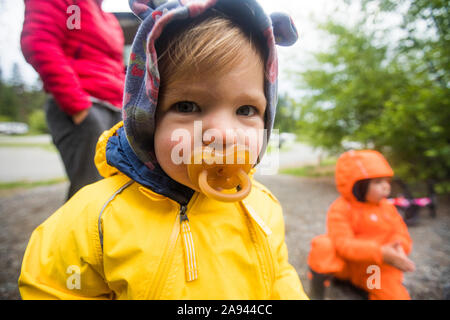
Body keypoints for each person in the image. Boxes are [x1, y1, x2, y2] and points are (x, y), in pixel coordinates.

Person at [18, 0, 309, 299]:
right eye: (187, 106)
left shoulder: (262, 207)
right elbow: (51, 287)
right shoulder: (95, 219)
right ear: (148, 119)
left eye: (246, 109)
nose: (223, 133)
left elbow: (279, 276)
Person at [20, 0, 125, 199]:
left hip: (116, 109)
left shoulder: (108, 18)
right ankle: (80, 231)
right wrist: (79, 108)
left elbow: (116, 67)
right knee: (90, 191)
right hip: (85, 108)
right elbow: (39, 42)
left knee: (118, 188)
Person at [307, 150, 415, 300]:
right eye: (377, 182)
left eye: (387, 181)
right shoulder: (341, 208)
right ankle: (316, 293)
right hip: (349, 266)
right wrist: (379, 252)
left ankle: (364, 287)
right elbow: (343, 244)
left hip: (377, 268)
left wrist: (399, 249)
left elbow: (401, 234)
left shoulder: (388, 208)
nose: (386, 187)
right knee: (323, 245)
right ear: (357, 185)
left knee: (395, 296)